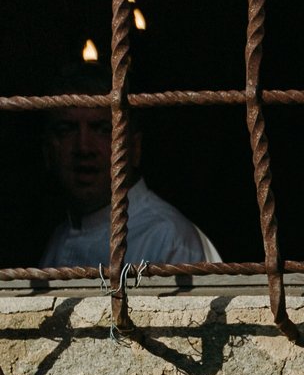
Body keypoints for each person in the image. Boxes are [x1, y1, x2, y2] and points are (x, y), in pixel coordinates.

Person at [40, 71, 219, 269]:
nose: (84, 147)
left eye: (103, 129)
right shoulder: (60, 235)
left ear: (134, 147)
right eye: (67, 129)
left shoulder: (169, 238)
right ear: (48, 149)